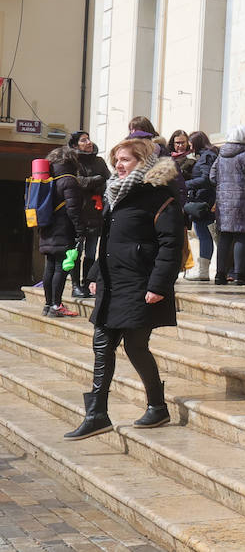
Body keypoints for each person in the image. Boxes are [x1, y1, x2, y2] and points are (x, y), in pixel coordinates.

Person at [64, 137, 181, 440]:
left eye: (125, 159)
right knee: (102, 345)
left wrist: (158, 285)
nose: (118, 165)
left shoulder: (159, 196)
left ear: (142, 162)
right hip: (112, 281)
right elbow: (108, 240)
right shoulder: (116, 193)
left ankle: (157, 406)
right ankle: (97, 414)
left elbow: (171, 245)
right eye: (116, 159)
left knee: (135, 346)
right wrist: (93, 272)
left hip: (141, 283)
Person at [36, 147, 85, 318]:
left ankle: (48, 304)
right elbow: (74, 211)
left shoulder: (48, 179)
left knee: (49, 267)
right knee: (60, 268)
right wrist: (80, 231)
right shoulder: (69, 181)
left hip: (46, 229)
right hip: (63, 231)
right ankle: (56, 305)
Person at [209, 126, 245, 284]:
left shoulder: (221, 155)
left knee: (225, 237)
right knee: (241, 236)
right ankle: (239, 273)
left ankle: (219, 274)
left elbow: (212, 176)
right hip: (242, 201)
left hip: (223, 202)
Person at [69, 131, 110, 299]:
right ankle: (75, 285)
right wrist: (98, 179)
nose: (88, 142)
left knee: (92, 251)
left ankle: (88, 282)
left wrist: (95, 181)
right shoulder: (73, 161)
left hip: (96, 210)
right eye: (83, 140)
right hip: (78, 211)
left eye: (88, 139)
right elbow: (79, 182)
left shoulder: (99, 161)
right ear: (75, 145)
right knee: (76, 251)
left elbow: (107, 179)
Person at [183, 131, 218, 282]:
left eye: (190, 144)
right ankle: (203, 268)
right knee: (205, 234)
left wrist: (186, 184)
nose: (189, 147)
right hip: (205, 199)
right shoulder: (208, 155)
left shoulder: (206, 157)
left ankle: (203, 270)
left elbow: (206, 179)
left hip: (203, 201)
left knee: (204, 234)